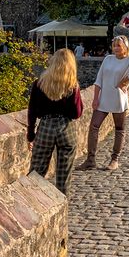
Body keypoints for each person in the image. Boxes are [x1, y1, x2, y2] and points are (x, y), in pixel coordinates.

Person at [78, 36, 129, 172]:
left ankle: (114, 159)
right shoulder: (108, 59)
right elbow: (99, 79)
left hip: (118, 99)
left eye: (118, 45)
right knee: (94, 127)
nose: (116, 48)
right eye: (114, 46)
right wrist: (95, 98)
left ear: (125, 47)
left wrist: (124, 81)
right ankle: (90, 160)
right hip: (103, 98)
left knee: (119, 129)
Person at [27, 49, 83, 195]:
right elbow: (76, 113)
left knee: (36, 171)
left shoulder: (40, 83)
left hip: (46, 126)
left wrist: (31, 135)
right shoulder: (72, 85)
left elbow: (32, 111)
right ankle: (62, 202)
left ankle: (32, 200)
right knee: (64, 174)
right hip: (66, 128)